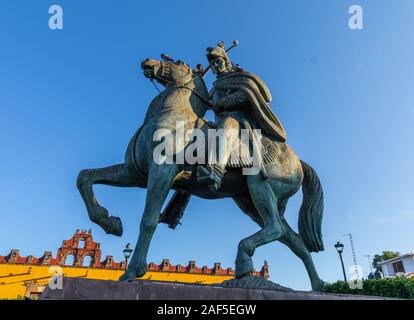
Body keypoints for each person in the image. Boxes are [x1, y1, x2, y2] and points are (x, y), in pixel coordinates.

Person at [197, 42, 287, 190]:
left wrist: (225, 101)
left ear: (225, 62)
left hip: (237, 119)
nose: (216, 66)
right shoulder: (213, 89)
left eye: (218, 62)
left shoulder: (238, 77)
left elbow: (246, 94)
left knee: (226, 127)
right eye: (213, 64)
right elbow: (203, 105)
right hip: (218, 120)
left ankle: (216, 171)